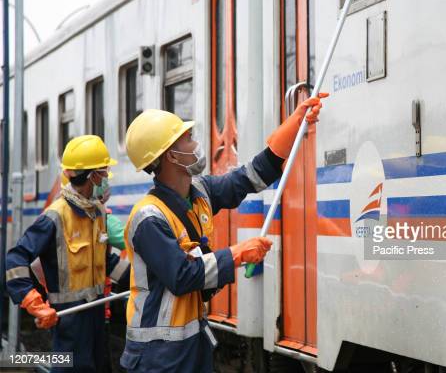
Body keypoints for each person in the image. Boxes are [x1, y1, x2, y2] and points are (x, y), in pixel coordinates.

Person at [119, 93, 326, 372]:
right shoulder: (149, 219)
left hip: (191, 345)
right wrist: (237, 254)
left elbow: (250, 177)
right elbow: (182, 276)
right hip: (158, 355)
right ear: (172, 155)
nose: (196, 144)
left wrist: (295, 122)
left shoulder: (200, 192)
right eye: (188, 138)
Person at [5, 135, 131, 372]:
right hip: (69, 320)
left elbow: (105, 262)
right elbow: (15, 259)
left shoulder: (97, 214)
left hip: (96, 315)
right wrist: (34, 303)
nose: (105, 179)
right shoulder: (55, 217)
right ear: (92, 176)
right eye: (103, 173)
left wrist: (141, 280)